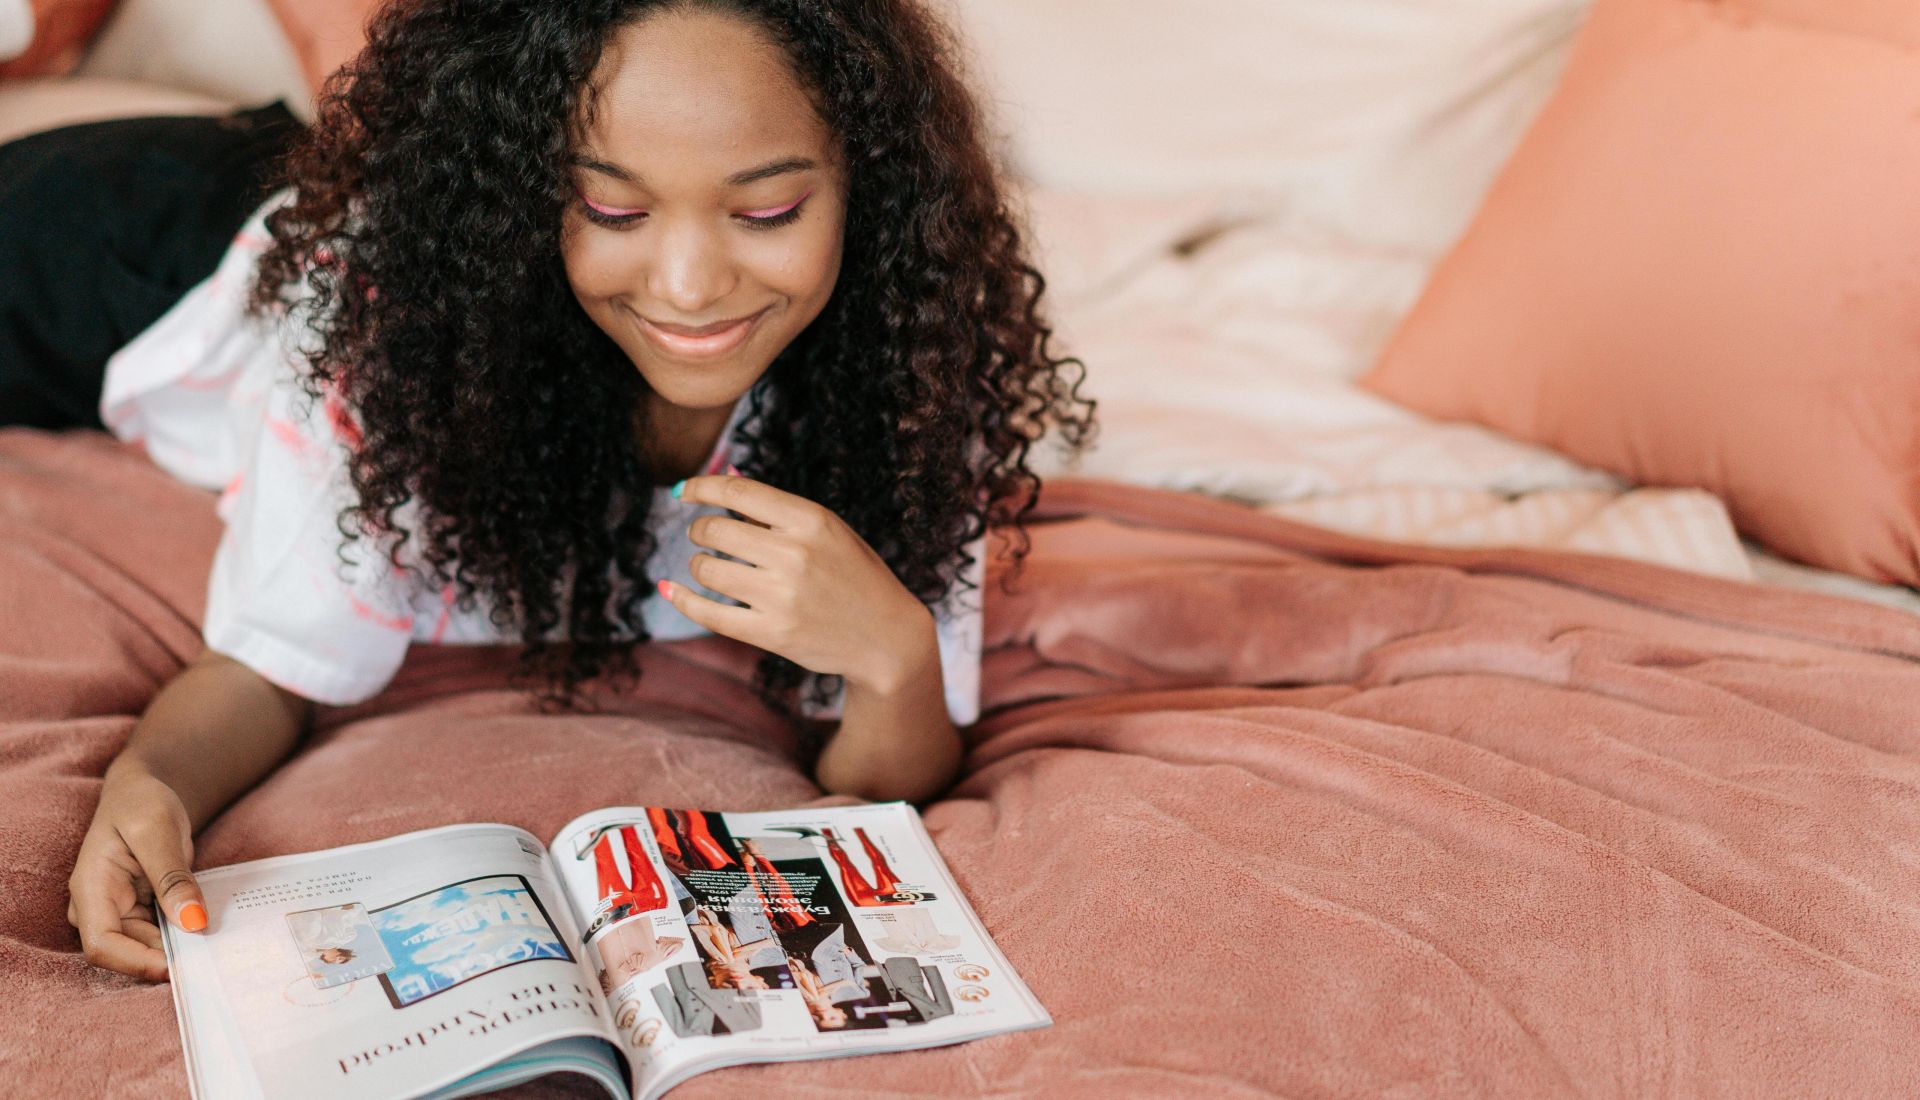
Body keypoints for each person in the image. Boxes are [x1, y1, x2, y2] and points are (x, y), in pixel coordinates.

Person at [45, 0, 1095, 982]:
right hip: (121, 249)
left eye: (768, 208)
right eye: (611, 206)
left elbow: (888, 773)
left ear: (868, 190)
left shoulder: (912, 363)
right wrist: (153, 780)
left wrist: (895, 658)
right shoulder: (391, 332)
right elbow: (268, 662)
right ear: (525, 194)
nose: (688, 284)